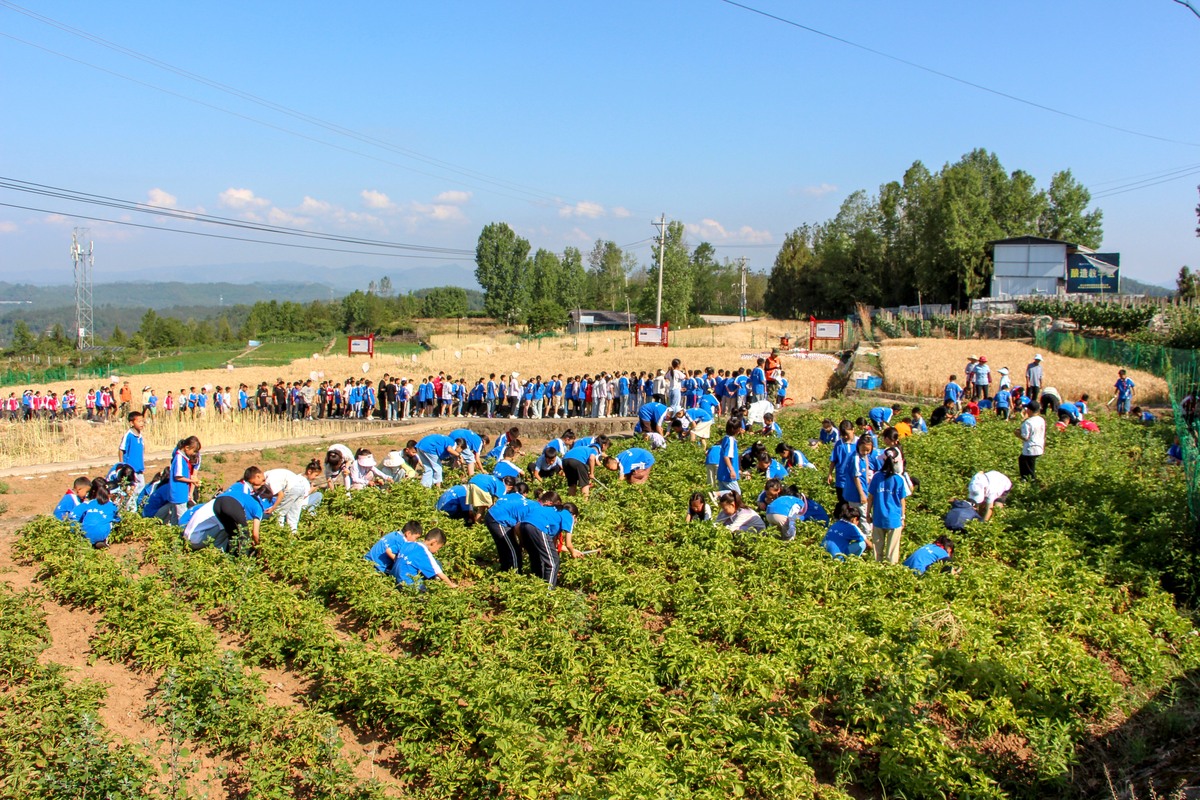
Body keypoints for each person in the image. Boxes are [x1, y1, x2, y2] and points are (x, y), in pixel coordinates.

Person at [518, 493, 581, 587]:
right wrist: (572, 553)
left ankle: (536, 585)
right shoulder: (568, 516)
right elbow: (568, 544)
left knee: (537, 558)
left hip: (524, 525)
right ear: (574, 515)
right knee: (553, 563)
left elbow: (552, 545)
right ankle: (548, 593)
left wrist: (573, 550)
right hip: (538, 527)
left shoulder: (553, 512)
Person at [866, 449, 909, 564]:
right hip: (894, 520)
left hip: (878, 517)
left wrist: (867, 514)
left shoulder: (877, 477)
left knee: (877, 551)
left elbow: (871, 497)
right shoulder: (899, 479)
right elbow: (902, 500)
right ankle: (890, 574)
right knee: (892, 554)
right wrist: (902, 517)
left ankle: (876, 570)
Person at [264, 461, 323, 531]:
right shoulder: (271, 477)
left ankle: (280, 532)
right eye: (316, 475)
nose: (316, 478)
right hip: (298, 488)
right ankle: (293, 533)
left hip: (292, 488)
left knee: (280, 513)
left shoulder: (269, 478)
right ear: (309, 471)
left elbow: (280, 495)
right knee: (294, 516)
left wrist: (273, 508)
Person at [483, 484, 531, 572]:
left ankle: (505, 569)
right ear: (525, 493)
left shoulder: (509, 496)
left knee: (503, 546)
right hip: (498, 520)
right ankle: (515, 574)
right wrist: (522, 542)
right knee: (513, 548)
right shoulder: (523, 503)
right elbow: (517, 527)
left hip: (491, 516)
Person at [393, 529, 458, 589]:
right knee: (437, 564)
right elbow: (440, 574)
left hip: (395, 579)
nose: (437, 551)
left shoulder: (409, 543)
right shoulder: (425, 552)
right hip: (408, 585)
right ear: (434, 543)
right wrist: (451, 585)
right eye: (439, 548)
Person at [68, 477, 120, 548]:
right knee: (111, 522)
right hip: (101, 534)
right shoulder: (113, 506)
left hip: (85, 533)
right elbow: (118, 520)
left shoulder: (88, 503)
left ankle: (87, 540)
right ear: (111, 495)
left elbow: (73, 515)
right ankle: (104, 541)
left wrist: (73, 531)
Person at [163, 436, 201, 525]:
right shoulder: (179, 458)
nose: (194, 453)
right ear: (187, 448)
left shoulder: (183, 458)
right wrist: (192, 481)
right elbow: (178, 476)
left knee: (174, 517)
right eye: (194, 451)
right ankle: (183, 535)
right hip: (179, 493)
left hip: (179, 492)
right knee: (182, 517)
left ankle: (173, 533)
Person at [1014, 400, 1045, 481]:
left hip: (1030, 449)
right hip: (1039, 447)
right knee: (1025, 461)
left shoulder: (1028, 422)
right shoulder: (1041, 420)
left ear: (1029, 410)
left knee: (1028, 473)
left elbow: (1025, 437)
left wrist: (1017, 433)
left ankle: (1028, 483)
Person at [118, 411, 147, 496]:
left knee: (141, 489)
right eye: (139, 421)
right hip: (130, 470)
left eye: (142, 421)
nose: (141, 423)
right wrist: (122, 465)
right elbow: (121, 450)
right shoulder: (129, 435)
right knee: (131, 491)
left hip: (139, 469)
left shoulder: (140, 436)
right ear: (132, 423)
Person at [715, 418, 743, 495]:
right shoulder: (730, 440)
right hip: (727, 474)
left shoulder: (725, 438)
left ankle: (719, 496)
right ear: (737, 429)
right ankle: (717, 494)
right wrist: (732, 470)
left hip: (722, 472)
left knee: (726, 499)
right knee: (736, 493)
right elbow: (726, 456)